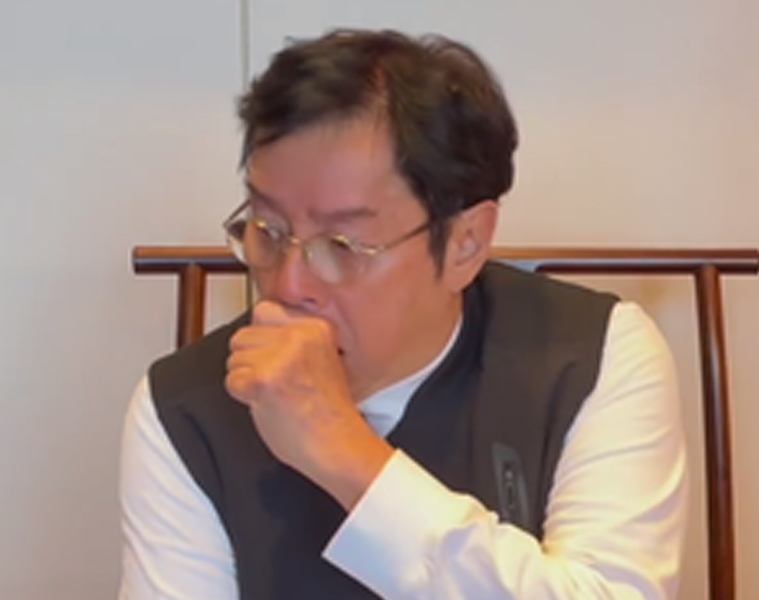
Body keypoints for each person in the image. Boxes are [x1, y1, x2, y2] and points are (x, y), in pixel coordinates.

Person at [119, 29, 687, 600]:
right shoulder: (183, 410)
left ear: (465, 243)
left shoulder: (592, 357)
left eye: (341, 245)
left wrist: (349, 457)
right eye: (268, 231)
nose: (288, 286)